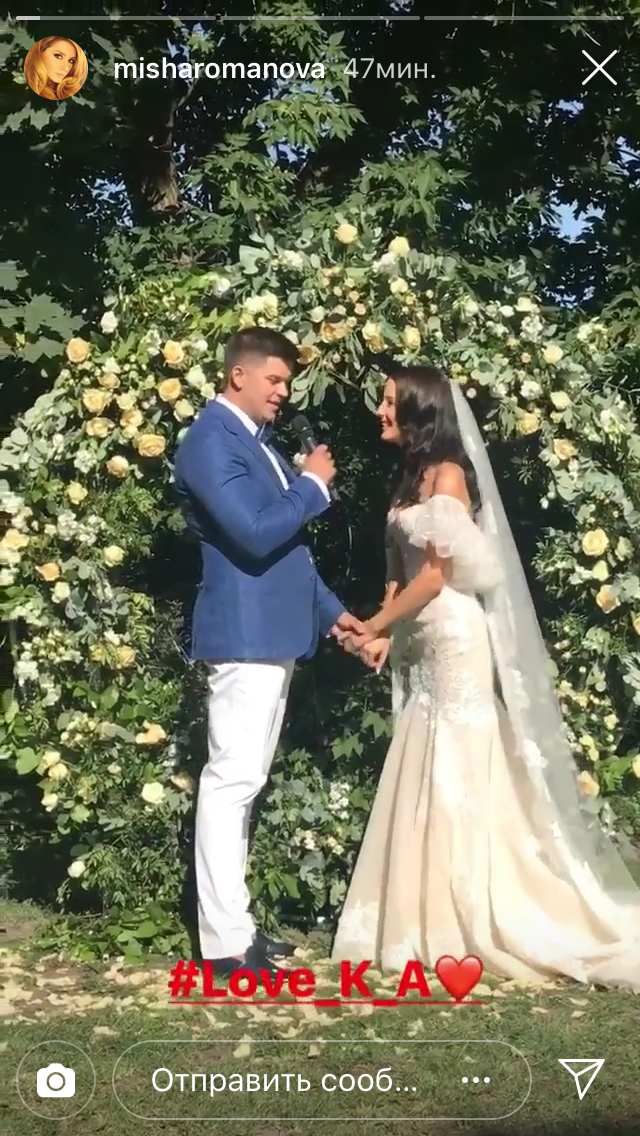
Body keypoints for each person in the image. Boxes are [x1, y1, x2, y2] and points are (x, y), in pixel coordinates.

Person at [332, 364, 640, 992]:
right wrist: (385, 634)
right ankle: (420, 916)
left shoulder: (448, 475)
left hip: (455, 638)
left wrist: (375, 623)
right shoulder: (406, 479)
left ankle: (467, 913)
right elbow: (399, 569)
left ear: (419, 410)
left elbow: (435, 576)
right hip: (423, 639)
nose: (380, 412)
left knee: (459, 765)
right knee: (425, 754)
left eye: (389, 402)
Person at [174, 328, 367, 978]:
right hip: (244, 634)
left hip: (272, 632)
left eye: (287, 381)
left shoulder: (257, 444)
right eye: (275, 379)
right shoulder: (210, 441)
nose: (284, 392)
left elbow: (289, 553)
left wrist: (333, 615)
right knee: (231, 783)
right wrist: (311, 487)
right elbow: (256, 534)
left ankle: (239, 932)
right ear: (239, 376)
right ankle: (226, 947)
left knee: (243, 784)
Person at [23, 37, 88, 101]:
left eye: (71, 61)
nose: (66, 68)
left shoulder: (72, 94)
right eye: (58, 56)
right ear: (40, 52)